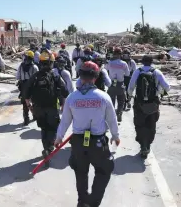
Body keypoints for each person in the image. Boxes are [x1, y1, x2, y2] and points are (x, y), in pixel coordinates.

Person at [54, 61, 120, 207]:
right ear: (96, 78)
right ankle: (93, 202)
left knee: (81, 172)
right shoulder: (103, 97)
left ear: (80, 76)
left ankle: (82, 201)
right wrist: (115, 136)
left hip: (78, 143)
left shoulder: (72, 98)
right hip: (98, 143)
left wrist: (59, 138)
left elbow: (65, 121)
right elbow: (112, 119)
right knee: (103, 171)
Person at [24, 51, 69, 166]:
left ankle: (46, 149)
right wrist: (64, 104)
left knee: (44, 129)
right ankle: (48, 149)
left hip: (38, 109)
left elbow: (26, 94)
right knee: (53, 129)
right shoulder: (55, 76)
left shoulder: (35, 76)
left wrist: (29, 107)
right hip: (52, 108)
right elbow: (65, 91)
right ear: (51, 63)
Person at [127, 55, 170, 158]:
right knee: (151, 124)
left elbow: (131, 87)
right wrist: (159, 90)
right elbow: (167, 87)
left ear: (142, 61)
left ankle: (142, 145)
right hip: (153, 103)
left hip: (140, 103)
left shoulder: (138, 71)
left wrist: (130, 96)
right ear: (152, 62)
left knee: (139, 124)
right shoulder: (157, 72)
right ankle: (147, 145)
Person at [105, 47, 130, 122]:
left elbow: (105, 69)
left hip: (112, 83)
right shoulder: (124, 63)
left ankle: (112, 116)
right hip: (120, 84)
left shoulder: (110, 62)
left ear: (114, 54)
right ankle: (119, 113)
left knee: (111, 100)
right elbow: (127, 74)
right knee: (121, 100)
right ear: (120, 54)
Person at [16, 50, 39, 126]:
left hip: (23, 87)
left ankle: (26, 119)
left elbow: (17, 77)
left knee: (25, 103)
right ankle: (35, 115)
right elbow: (37, 78)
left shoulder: (21, 66)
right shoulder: (34, 67)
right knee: (34, 102)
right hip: (32, 86)